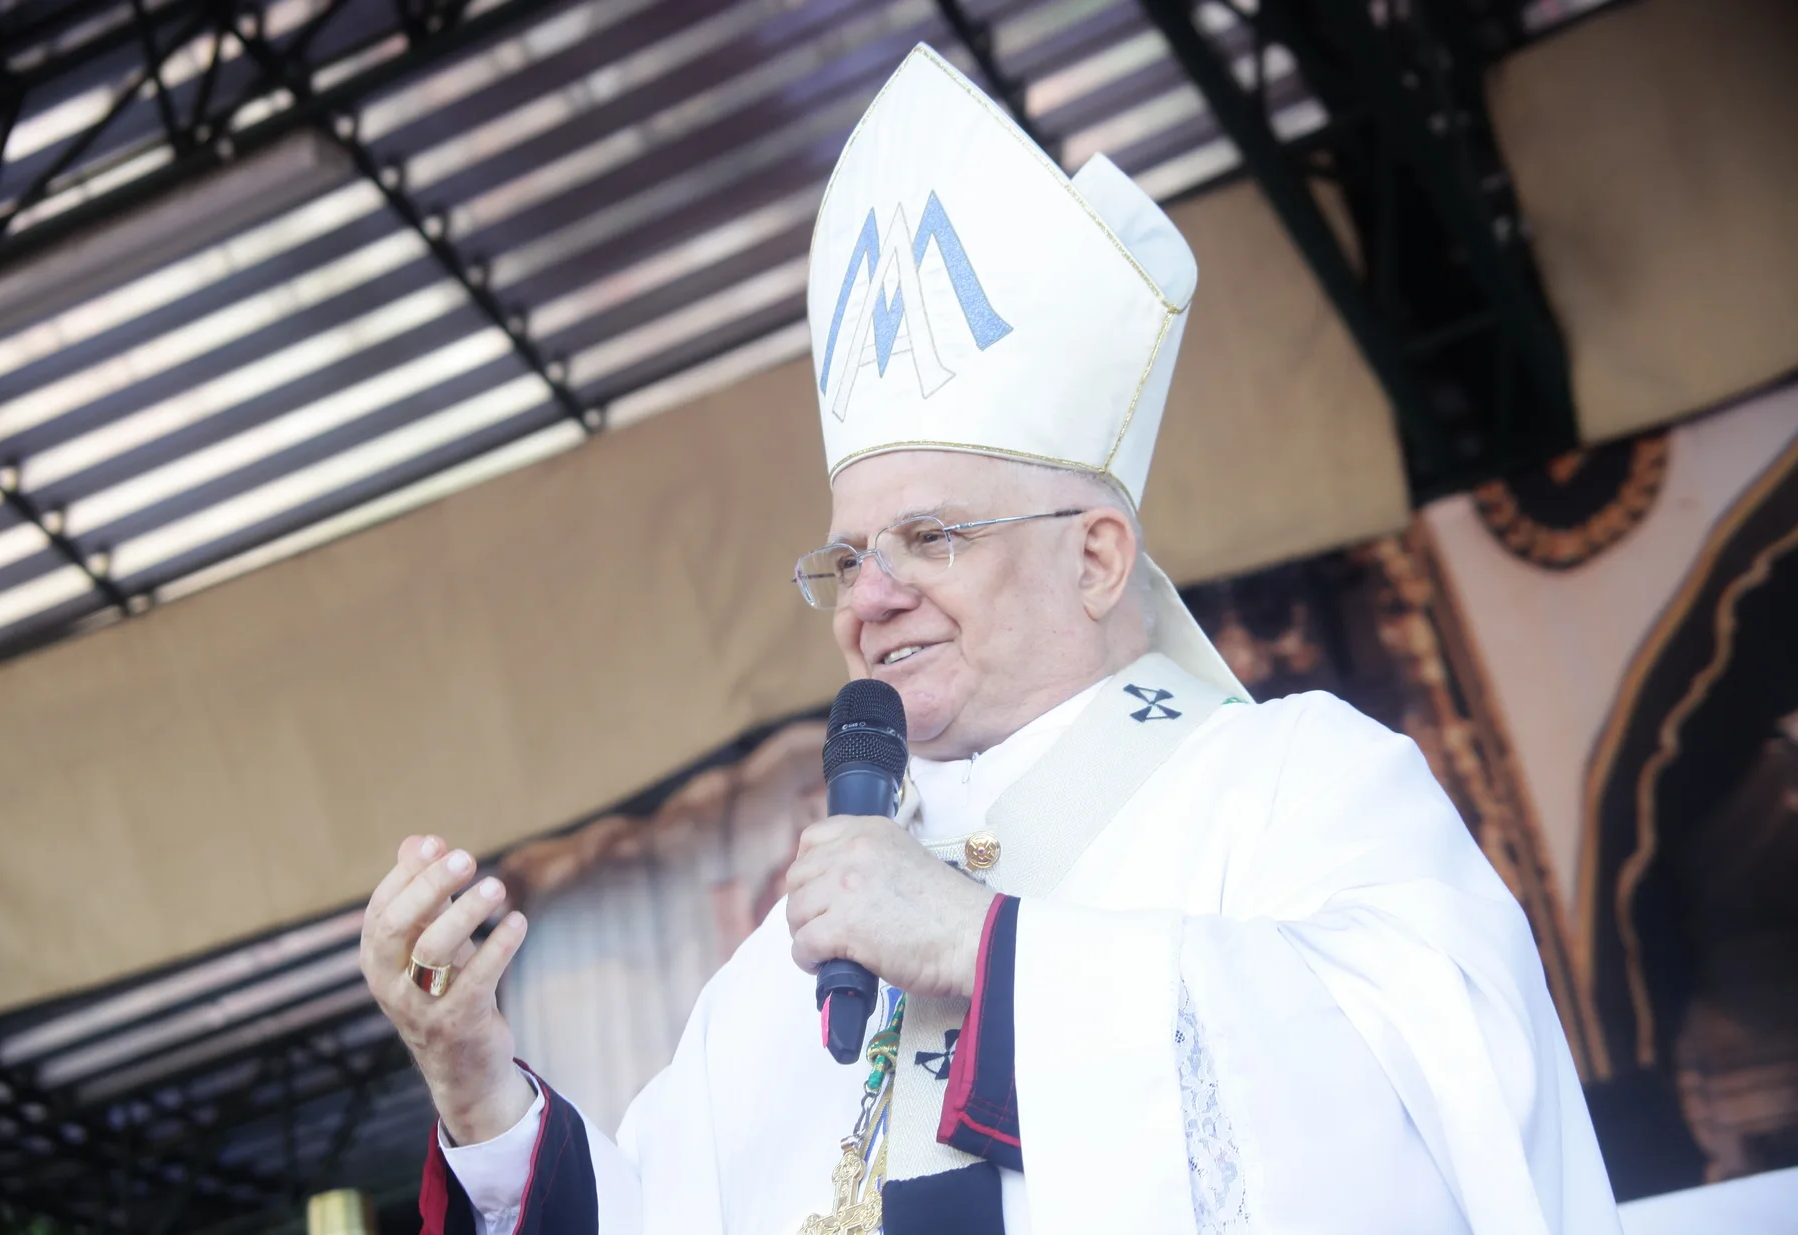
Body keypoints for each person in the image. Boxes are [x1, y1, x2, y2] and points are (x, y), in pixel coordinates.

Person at [359, 44, 1621, 1235]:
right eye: (848, 557)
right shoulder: (784, 960)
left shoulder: (1292, 784)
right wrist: (478, 1091)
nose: (873, 593)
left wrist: (981, 947)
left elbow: (1433, 1107)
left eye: (932, 537)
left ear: (1095, 554)